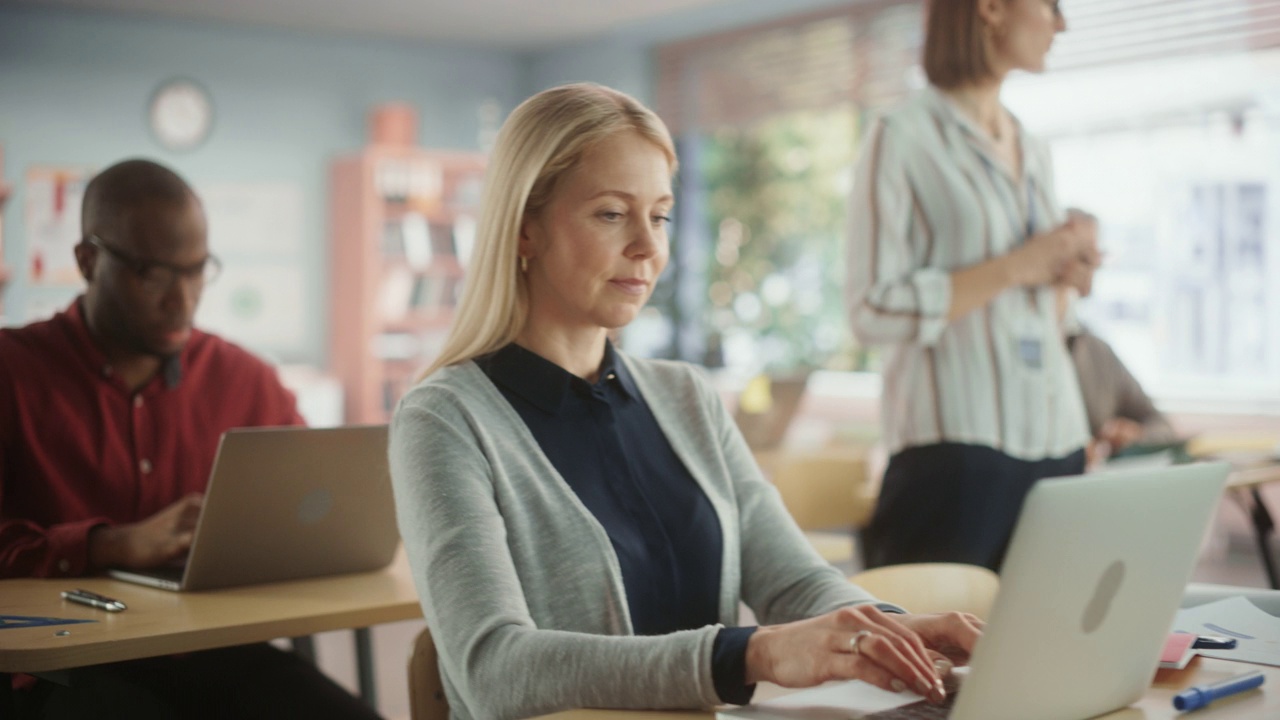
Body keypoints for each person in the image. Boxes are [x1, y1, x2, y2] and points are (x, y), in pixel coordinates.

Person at [389, 83, 982, 720]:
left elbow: (795, 582)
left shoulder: (686, 396)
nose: (649, 246)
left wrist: (891, 633)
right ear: (526, 229)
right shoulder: (445, 419)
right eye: (612, 214)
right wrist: (751, 655)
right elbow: (494, 670)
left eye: (661, 214)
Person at [0, 159, 382, 720]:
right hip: (67, 670)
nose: (182, 301)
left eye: (197, 271)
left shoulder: (245, 378)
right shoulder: (12, 371)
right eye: (153, 274)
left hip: (213, 654)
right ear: (87, 261)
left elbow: (311, 512)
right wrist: (108, 545)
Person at [846, 0, 1102, 572]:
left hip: (1057, 445)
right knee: (929, 659)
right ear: (990, 8)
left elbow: (1042, 308)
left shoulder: (1033, 148)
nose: (1061, 22)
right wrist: (1018, 265)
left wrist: (1066, 276)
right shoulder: (901, 137)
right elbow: (870, 308)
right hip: (955, 453)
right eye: (1050, 5)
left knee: (1052, 652)